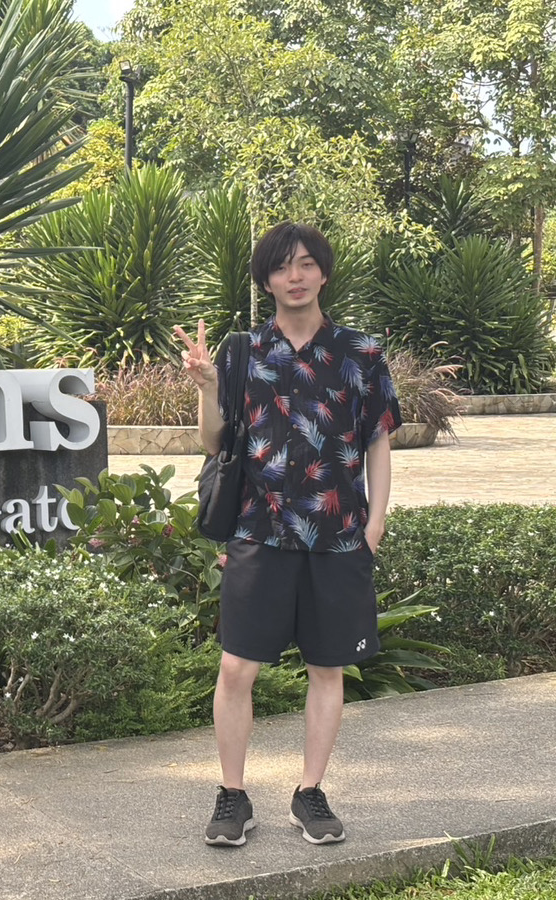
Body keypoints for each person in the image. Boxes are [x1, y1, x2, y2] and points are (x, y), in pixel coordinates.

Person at [173, 222, 401, 847]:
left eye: (305, 264)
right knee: (235, 668)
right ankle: (232, 794)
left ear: (323, 273)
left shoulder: (361, 353)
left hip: (339, 534)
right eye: (280, 267)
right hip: (259, 531)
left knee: (328, 669)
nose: (294, 276)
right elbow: (215, 443)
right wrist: (207, 390)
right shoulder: (242, 352)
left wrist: (375, 524)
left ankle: (310, 792)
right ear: (265, 280)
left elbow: (378, 440)